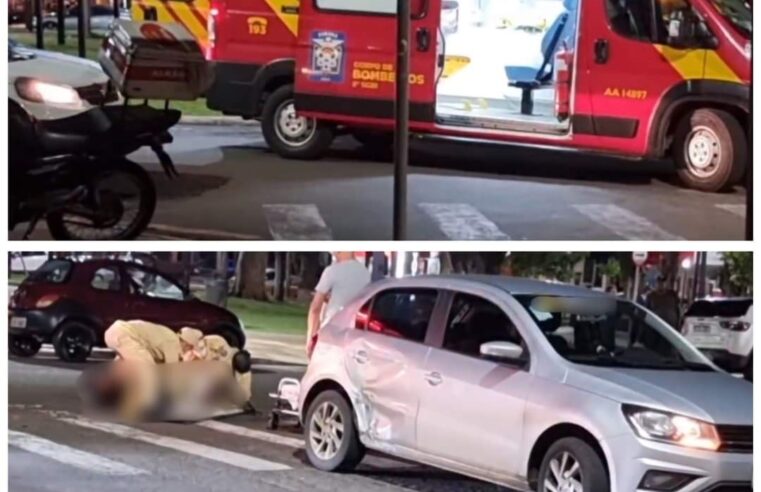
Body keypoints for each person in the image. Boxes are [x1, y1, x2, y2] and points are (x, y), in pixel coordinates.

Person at [307, 252, 371, 354]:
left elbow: (315, 308)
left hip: (331, 333)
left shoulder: (332, 271)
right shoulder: (365, 273)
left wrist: (311, 338)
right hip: (354, 334)